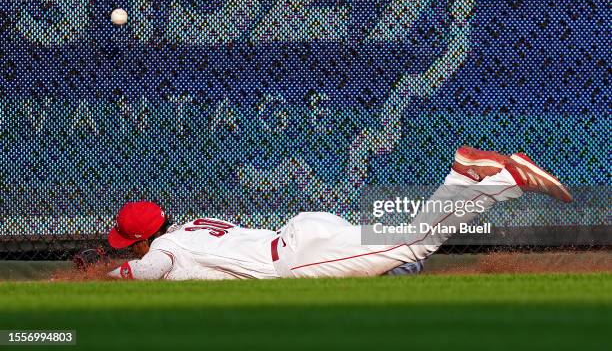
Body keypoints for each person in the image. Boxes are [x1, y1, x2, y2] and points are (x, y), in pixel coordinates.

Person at [107, 146, 572, 280]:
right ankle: (491, 182)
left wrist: (108, 275)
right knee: (407, 243)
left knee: (414, 239)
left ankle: (478, 178)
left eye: (130, 240)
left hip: (300, 257)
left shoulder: (166, 248)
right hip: (309, 232)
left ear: (143, 238)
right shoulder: (189, 227)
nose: (133, 246)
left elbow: (153, 266)